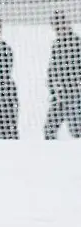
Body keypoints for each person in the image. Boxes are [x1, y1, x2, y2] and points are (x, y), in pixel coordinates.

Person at [44, 10, 81, 140]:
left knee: (76, 129)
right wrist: (53, 87)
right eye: (57, 25)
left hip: (75, 93)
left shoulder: (76, 43)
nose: (60, 28)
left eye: (62, 23)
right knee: (49, 129)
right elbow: (53, 68)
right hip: (61, 95)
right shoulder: (57, 45)